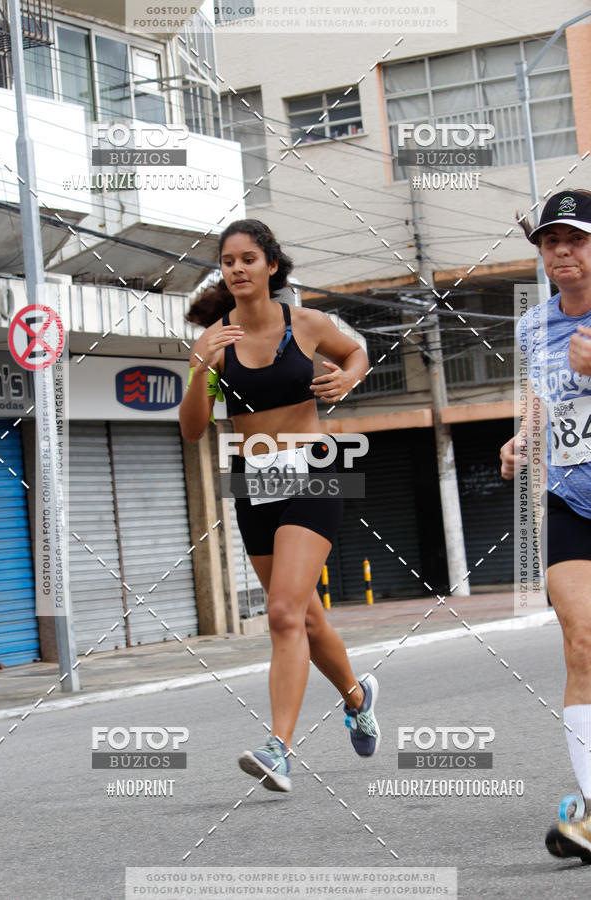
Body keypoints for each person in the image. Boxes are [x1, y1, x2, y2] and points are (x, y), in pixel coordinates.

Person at [179, 218, 381, 792]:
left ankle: (279, 749)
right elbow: (193, 431)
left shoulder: (308, 324)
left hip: (316, 471)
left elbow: (357, 351)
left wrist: (348, 379)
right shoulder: (216, 341)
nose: (237, 269)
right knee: (306, 617)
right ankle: (359, 698)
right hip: (251, 482)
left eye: (248, 259)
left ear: (271, 266)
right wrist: (198, 370)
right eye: (227, 261)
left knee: (283, 614)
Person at [500, 189, 591, 860]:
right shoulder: (534, 325)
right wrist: (523, 438)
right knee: (582, 640)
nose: (562, 251)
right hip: (568, 498)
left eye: (577, 239)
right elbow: (542, 398)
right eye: (551, 241)